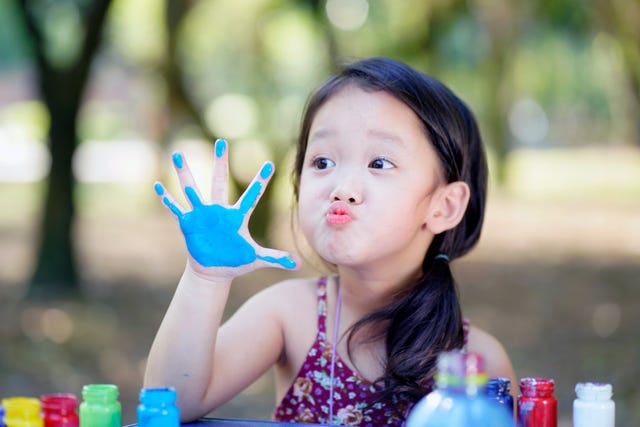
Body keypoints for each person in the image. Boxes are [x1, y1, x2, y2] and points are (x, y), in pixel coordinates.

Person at [144, 57, 516, 426]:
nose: (342, 188)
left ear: (444, 206)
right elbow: (169, 405)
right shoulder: (289, 314)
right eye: (322, 162)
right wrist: (205, 278)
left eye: (379, 163)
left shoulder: (478, 362)